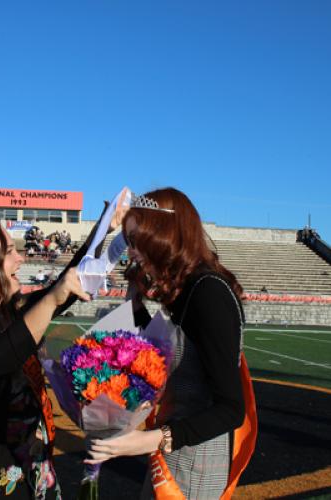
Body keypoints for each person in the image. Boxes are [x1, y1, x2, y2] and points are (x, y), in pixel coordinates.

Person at [0, 200, 126, 500]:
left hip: (33, 467)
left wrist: (102, 230)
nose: (20, 259)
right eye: (9, 252)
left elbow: (64, 289)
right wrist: (49, 301)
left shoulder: (7, 313)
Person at [85, 188, 256, 499]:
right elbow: (161, 351)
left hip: (195, 458)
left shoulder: (208, 294)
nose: (132, 251)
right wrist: (135, 303)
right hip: (172, 447)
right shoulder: (187, 288)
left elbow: (231, 410)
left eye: (137, 241)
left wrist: (149, 440)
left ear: (164, 236)